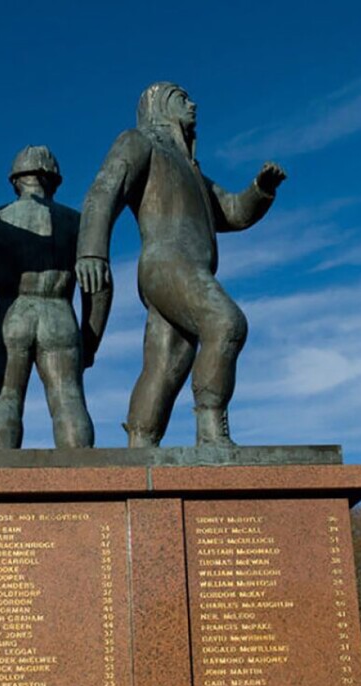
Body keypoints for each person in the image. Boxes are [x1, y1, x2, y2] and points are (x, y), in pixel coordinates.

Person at [76, 82, 286, 448]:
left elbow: (231, 211)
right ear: (159, 106)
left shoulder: (190, 169)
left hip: (189, 269)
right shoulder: (138, 141)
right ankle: (211, 430)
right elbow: (104, 190)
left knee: (167, 365)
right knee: (225, 323)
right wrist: (92, 251)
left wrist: (259, 190)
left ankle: (140, 445)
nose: (193, 105)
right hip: (166, 263)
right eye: (181, 99)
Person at [0, 146, 111, 448]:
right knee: (68, 400)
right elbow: (100, 285)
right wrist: (89, 339)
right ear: (54, 181)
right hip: (59, 314)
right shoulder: (77, 223)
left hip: (11, 316)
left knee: (5, 398)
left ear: (15, 181)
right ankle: (83, 474)